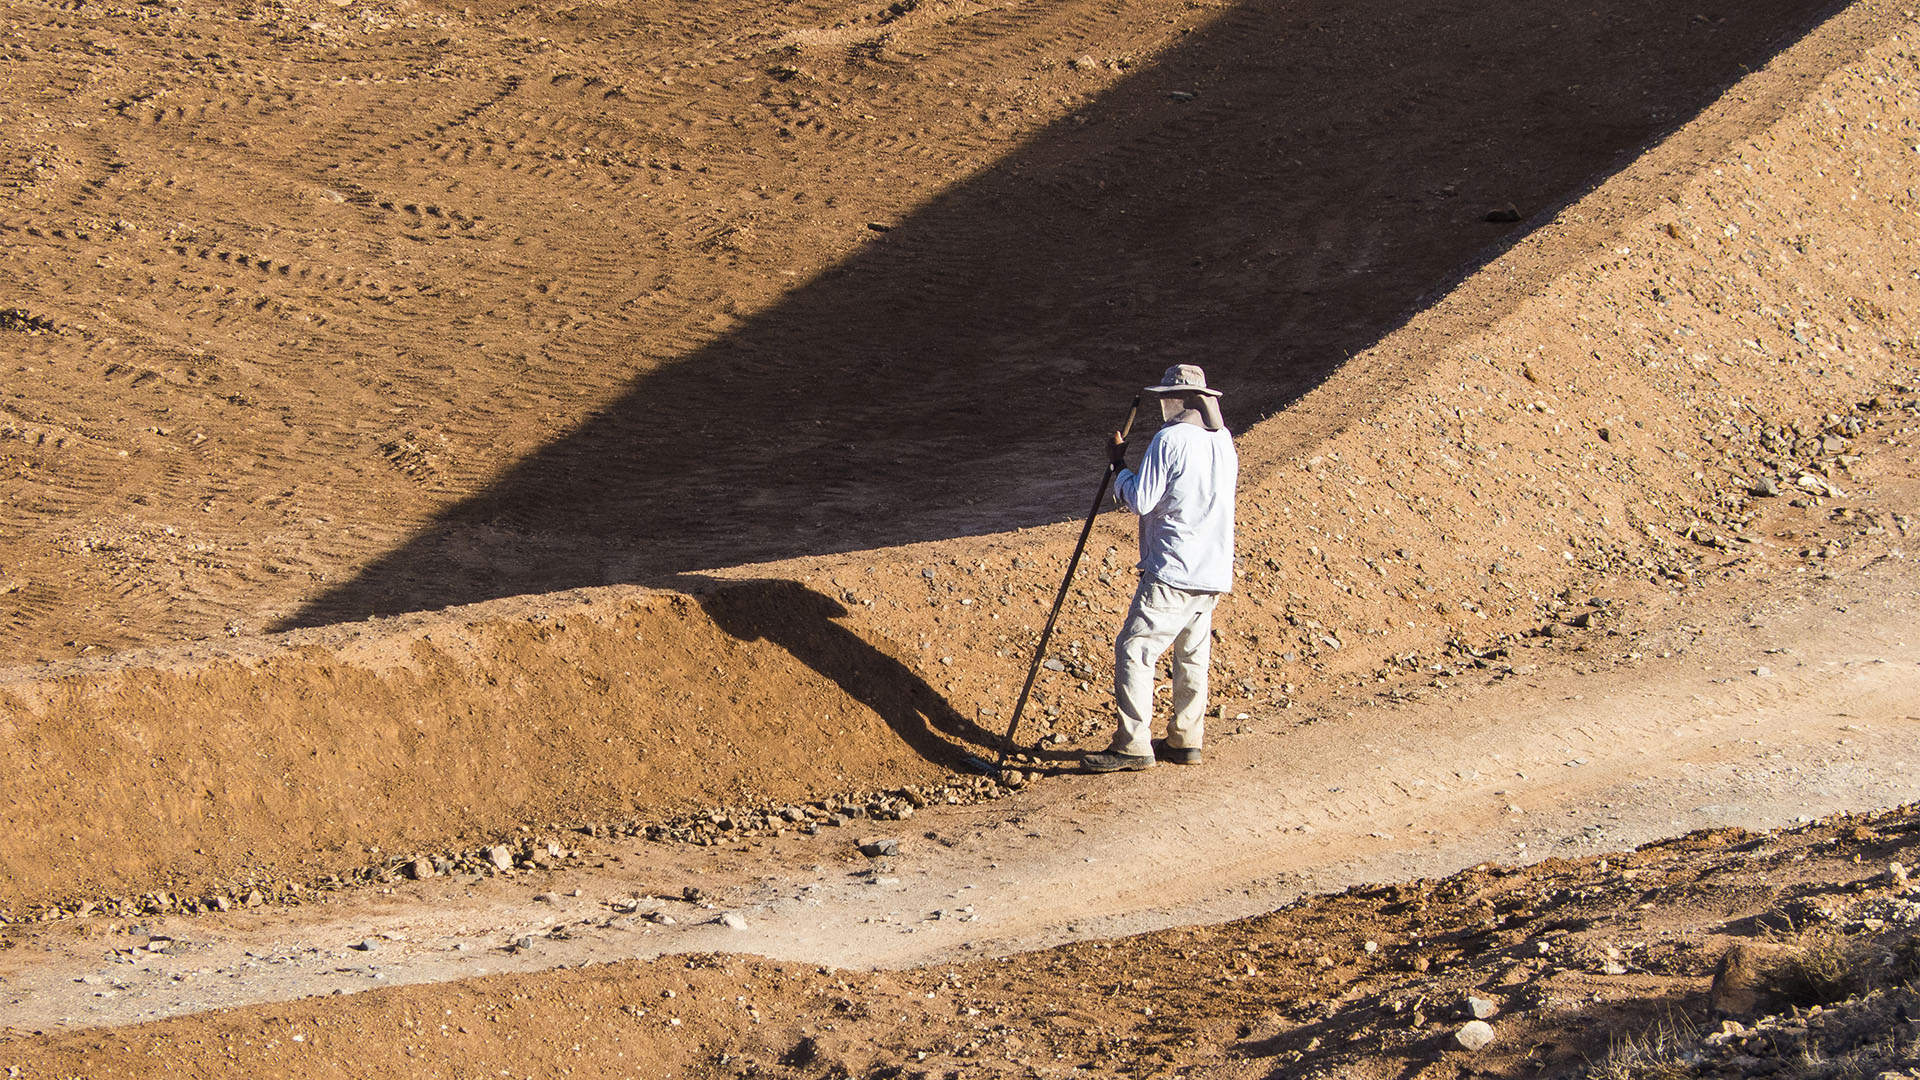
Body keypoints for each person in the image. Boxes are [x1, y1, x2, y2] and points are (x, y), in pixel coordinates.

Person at [1084, 365, 1238, 773]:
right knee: (1192, 655)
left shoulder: (1168, 440)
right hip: (1213, 569)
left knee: (1135, 649)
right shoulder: (1223, 441)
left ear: (1181, 399)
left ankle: (1132, 744)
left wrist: (1118, 466)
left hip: (1173, 568)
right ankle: (1186, 739)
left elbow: (1141, 500)